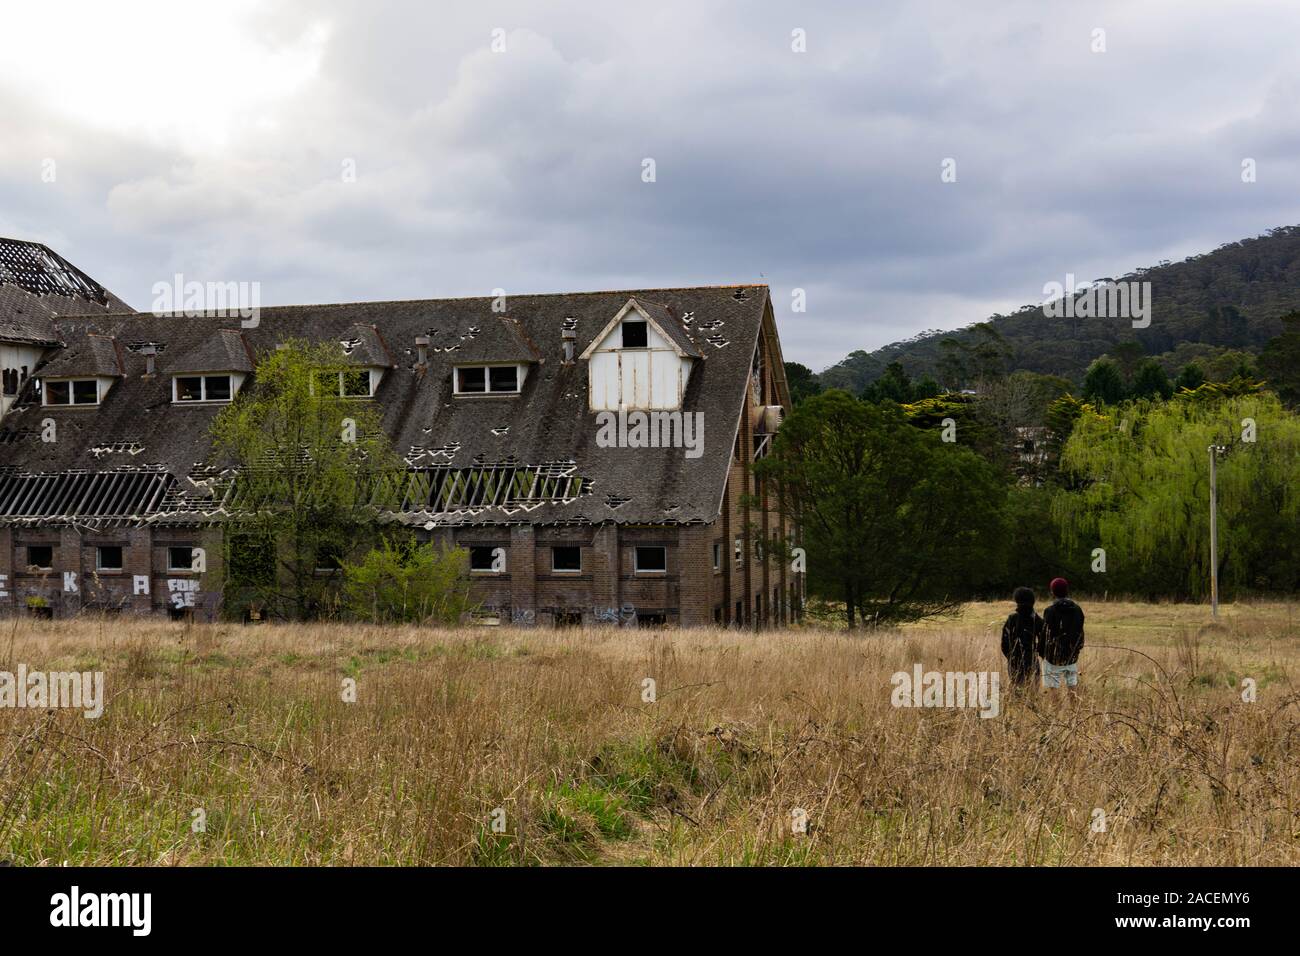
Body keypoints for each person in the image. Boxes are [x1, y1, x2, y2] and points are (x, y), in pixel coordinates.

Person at [1040, 577, 1085, 697]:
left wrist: (1042, 652)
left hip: (1053, 656)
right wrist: (1078, 648)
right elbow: (1080, 631)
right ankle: (1074, 711)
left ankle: (1056, 713)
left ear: (1052, 592)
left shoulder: (1050, 611)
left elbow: (1045, 633)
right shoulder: (1077, 609)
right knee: (1072, 684)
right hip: (1072, 653)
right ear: (1067, 590)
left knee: (1053, 686)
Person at [1000, 586, 1044, 688]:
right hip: (1032, 660)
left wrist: (1011, 657)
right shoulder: (1037, 620)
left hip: (1014, 662)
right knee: (1033, 694)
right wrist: (1036, 650)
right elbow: (1045, 641)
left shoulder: (1012, 619)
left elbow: (1004, 644)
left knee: (1017, 692)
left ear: (1016, 600)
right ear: (1033, 601)